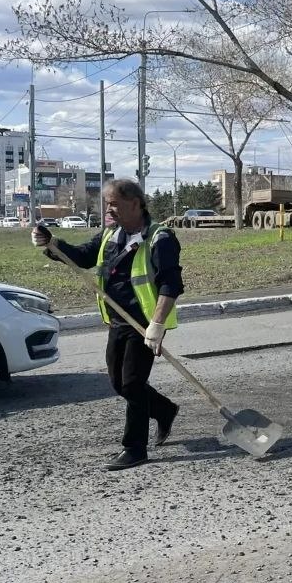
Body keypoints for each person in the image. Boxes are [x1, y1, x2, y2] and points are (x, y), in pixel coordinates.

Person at [32, 179, 182, 471]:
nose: (108, 209)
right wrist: (52, 244)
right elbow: (83, 257)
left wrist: (157, 325)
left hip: (142, 324)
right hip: (116, 321)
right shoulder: (111, 234)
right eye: (107, 203)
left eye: (113, 203)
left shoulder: (160, 239)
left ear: (135, 203)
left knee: (132, 384)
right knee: (118, 383)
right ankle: (164, 410)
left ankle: (134, 448)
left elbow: (171, 284)